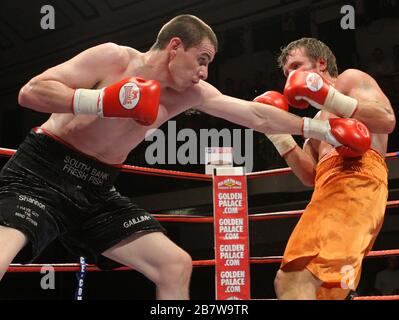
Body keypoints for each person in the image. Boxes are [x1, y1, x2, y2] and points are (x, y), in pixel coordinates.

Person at [0, 16, 369, 299]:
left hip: (97, 189)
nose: (205, 72)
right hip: (43, 173)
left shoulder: (190, 93)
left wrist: (322, 130)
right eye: (202, 59)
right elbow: (32, 92)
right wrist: (103, 101)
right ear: (175, 46)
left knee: (175, 265)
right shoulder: (113, 58)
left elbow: (257, 115)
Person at [255, 37, 395, 299]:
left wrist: (328, 96)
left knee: (295, 279)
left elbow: (386, 120)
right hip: (324, 194)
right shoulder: (315, 122)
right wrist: (277, 135)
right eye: (287, 73)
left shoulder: (350, 80)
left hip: (358, 183)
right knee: (317, 287)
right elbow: (310, 175)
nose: (290, 78)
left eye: (297, 67)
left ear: (321, 64)